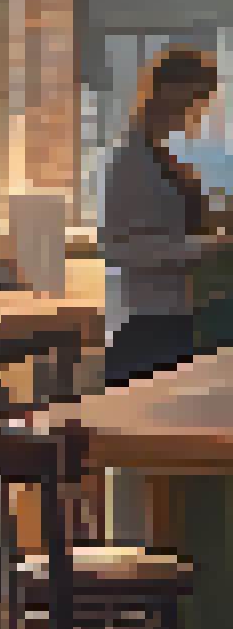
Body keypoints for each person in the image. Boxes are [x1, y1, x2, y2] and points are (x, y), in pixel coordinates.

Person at [101, 46, 229, 386]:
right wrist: (210, 245)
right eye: (198, 97)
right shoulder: (131, 160)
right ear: (172, 91)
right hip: (145, 320)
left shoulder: (161, 156)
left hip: (174, 316)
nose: (199, 109)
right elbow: (129, 249)